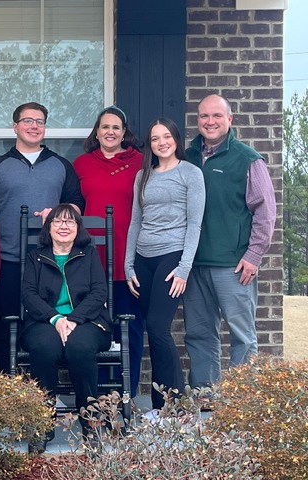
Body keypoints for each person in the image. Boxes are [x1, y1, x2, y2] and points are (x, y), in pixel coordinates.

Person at [0, 102, 85, 372]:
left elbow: (76, 204)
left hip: (50, 262)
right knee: (7, 325)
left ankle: (47, 390)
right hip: (8, 260)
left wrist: (58, 213)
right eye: (27, 121)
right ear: (15, 126)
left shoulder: (61, 165)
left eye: (39, 121)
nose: (34, 126)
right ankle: (8, 388)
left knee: (48, 327)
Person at [184, 94, 276, 389]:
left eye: (216, 116)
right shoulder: (187, 157)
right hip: (193, 265)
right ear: (197, 120)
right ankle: (205, 397)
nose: (209, 122)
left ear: (230, 120)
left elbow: (266, 211)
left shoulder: (247, 159)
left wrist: (253, 255)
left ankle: (239, 402)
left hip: (234, 265)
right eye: (203, 116)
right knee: (199, 334)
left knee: (242, 335)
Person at [124, 118, 205, 410]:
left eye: (167, 136)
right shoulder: (143, 176)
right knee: (153, 331)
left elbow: (195, 225)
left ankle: (169, 407)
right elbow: (136, 221)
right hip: (143, 260)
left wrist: (184, 268)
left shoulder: (191, 173)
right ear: (151, 144)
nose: (162, 142)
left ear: (176, 139)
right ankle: (166, 406)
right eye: (156, 138)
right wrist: (128, 265)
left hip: (171, 257)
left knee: (158, 328)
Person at [21, 204, 112, 452]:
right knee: (43, 347)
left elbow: (99, 292)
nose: (64, 226)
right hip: (44, 321)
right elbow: (28, 295)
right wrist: (55, 319)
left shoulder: (89, 255)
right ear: (48, 228)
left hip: (88, 320)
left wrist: (73, 319)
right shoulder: (36, 257)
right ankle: (42, 423)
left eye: (70, 222)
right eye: (57, 222)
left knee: (80, 347)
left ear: (77, 228)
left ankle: (90, 422)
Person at [73, 105, 145, 398]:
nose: (110, 132)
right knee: (94, 331)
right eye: (105, 127)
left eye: (116, 127)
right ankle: (100, 396)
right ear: (97, 131)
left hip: (130, 260)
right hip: (91, 264)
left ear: (124, 132)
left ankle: (126, 395)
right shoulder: (81, 164)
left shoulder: (141, 162)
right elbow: (72, 206)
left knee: (131, 329)